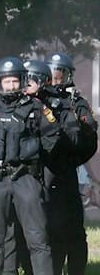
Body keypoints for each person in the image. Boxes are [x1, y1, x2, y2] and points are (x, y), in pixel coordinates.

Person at [0, 57, 59, 275]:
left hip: (26, 179)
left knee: (38, 240)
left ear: (22, 81)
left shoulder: (36, 108)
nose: (11, 86)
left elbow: (51, 141)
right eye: (6, 82)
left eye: (15, 81)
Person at [35, 54, 97, 274]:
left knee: (74, 230)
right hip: (40, 173)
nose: (55, 81)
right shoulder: (36, 100)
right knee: (46, 229)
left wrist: (73, 160)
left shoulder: (75, 102)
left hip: (66, 173)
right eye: (52, 76)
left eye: (60, 76)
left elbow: (88, 139)